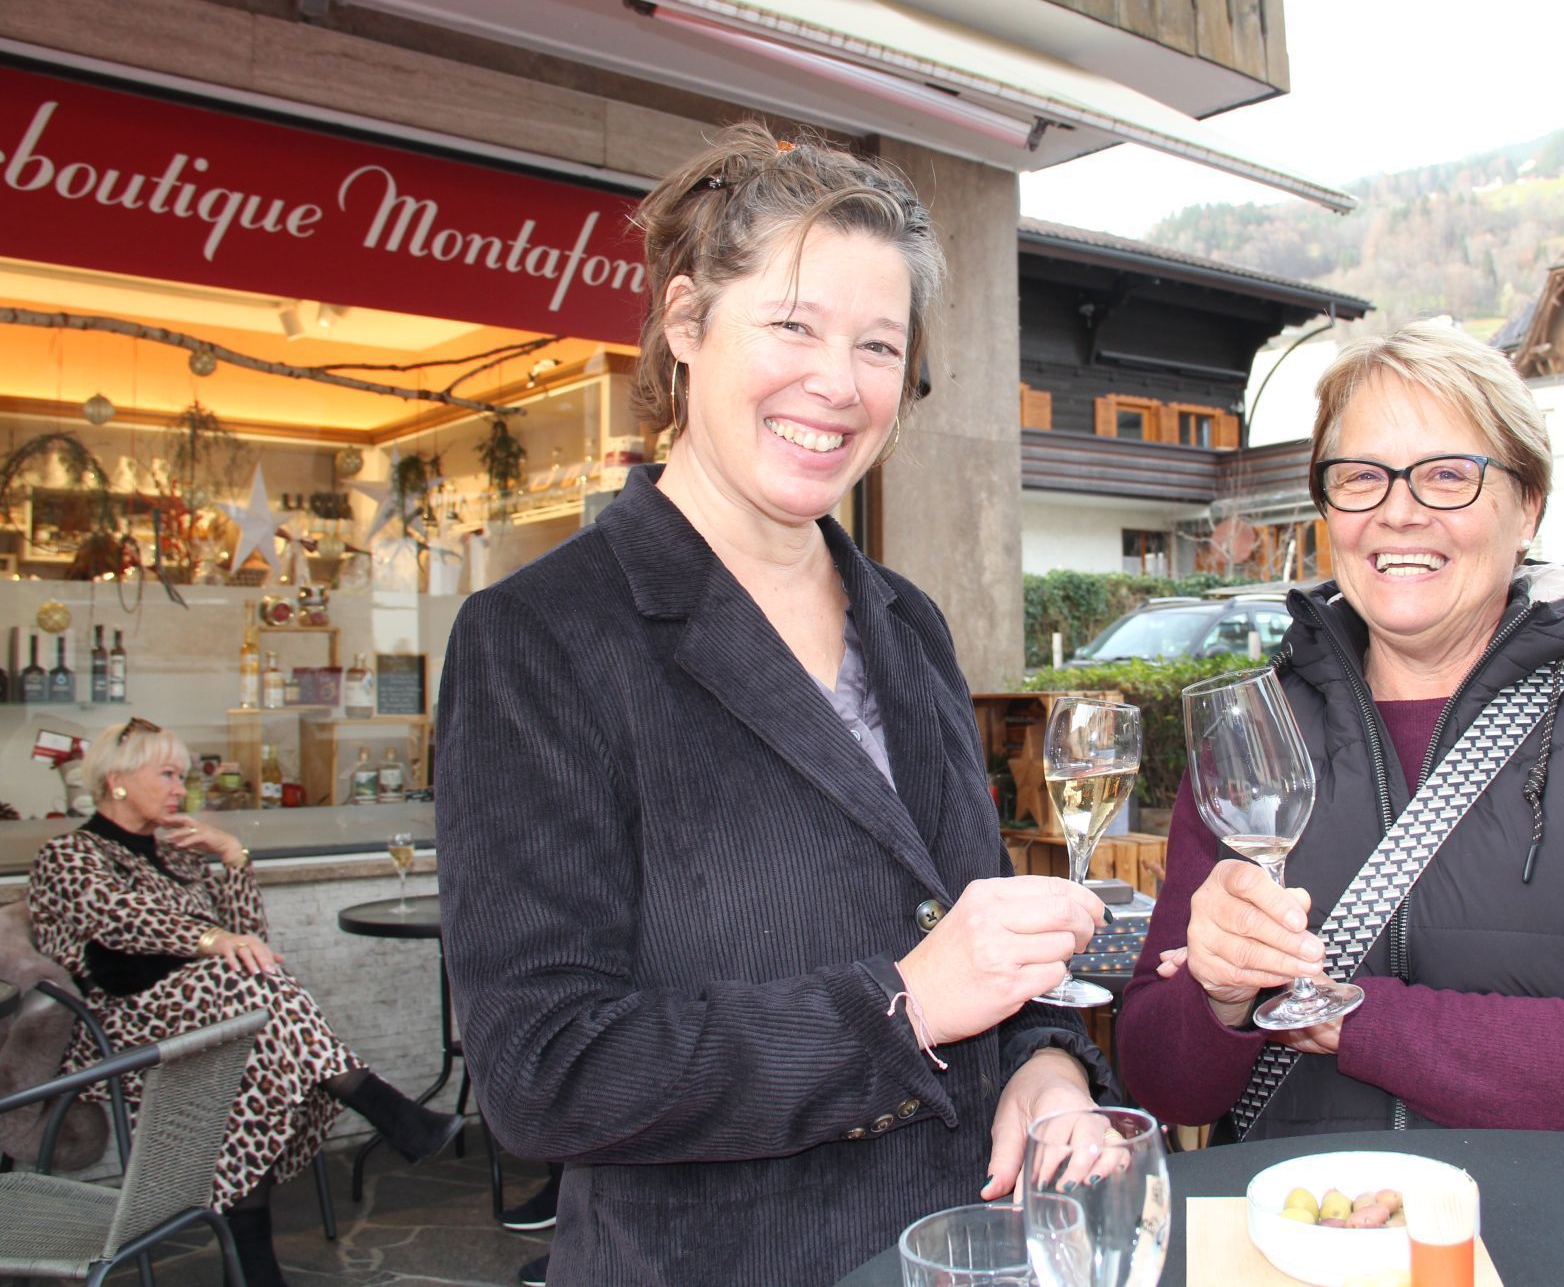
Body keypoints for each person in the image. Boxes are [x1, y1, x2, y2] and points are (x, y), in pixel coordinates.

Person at [435, 124, 1112, 1286]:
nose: (837, 384)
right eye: (793, 325)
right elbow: (541, 1074)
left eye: (877, 345)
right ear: (686, 323)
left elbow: (970, 924)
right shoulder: (541, 639)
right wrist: (899, 1010)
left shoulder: (906, 622)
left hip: (961, 1252)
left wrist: (1046, 1068)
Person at [1118, 321, 1564, 1145]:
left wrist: (1364, 1022)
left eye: (1448, 475)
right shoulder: (1255, 731)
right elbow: (1162, 1082)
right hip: (1307, 1218)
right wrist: (1217, 995)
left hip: (1559, 1219)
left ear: (1527, 507)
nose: (1398, 512)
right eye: (1361, 477)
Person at [28, 718, 464, 1286]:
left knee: (253, 1046)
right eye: (167, 775)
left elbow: (251, 940)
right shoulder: (69, 854)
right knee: (251, 1000)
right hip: (125, 1027)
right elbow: (119, 917)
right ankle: (378, 1103)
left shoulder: (178, 855)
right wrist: (212, 940)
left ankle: (258, 1262)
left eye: (183, 777)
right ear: (117, 780)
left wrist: (233, 855)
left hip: (212, 1017)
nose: (180, 789)